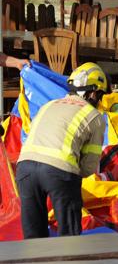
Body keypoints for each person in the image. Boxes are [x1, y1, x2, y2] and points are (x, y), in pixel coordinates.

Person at [16, 62, 107, 238]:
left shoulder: (48, 105)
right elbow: (88, 168)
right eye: (101, 96)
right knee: (69, 238)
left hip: (24, 169)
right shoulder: (94, 116)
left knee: (33, 238)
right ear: (94, 93)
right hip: (59, 171)